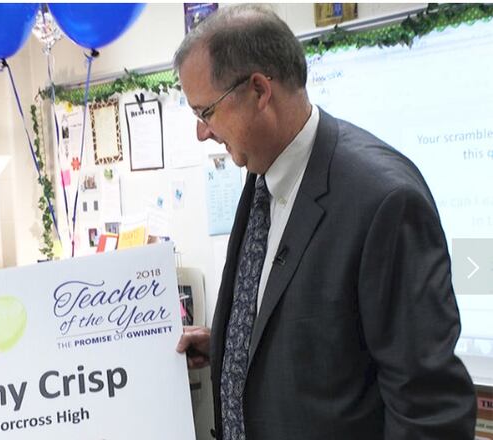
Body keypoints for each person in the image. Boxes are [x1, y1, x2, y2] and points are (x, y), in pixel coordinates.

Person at [173, 5, 476, 440]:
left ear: (259, 91)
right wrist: (227, 346)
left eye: (206, 112)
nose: (202, 132)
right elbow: (313, 332)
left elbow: (429, 409)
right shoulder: (260, 174)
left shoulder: (383, 201)